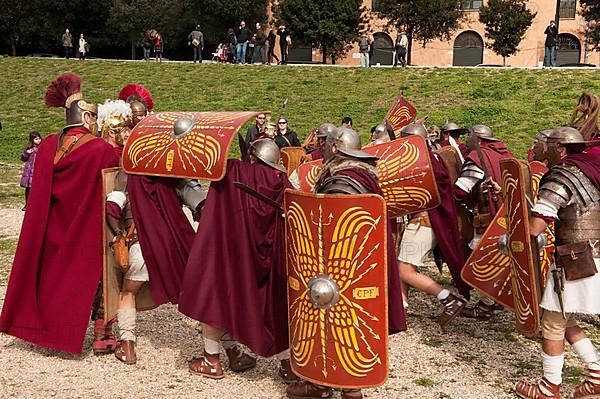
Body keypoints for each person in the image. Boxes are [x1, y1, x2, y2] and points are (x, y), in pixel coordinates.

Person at [0, 73, 119, 354]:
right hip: (84, 230)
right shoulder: (101, 150)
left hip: (48, 227)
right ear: (87, 119)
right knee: (99, 274)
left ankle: (41, 326)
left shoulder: (48, 146)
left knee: (50, 276)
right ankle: (102, 331)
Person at [286, 127, 407, 399]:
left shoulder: (342, 179)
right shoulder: (364, 174)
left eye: (326, 144)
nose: (323, 148)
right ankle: (322, 381)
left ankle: (349, 388)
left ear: (336, 147)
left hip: (345, 268)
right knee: (328, 321)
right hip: (358, 266)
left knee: (342, 322)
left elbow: (334, 228)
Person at [179, 139, 292, 380]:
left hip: (234, 254)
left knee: (215, 293)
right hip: (271, 258)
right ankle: (287, 366)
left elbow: (216, 204)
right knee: (278, 305)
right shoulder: (282, 181)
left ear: (252, 157)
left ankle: (212, 360)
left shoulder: (234, 171)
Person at [514, 127, 600, 399]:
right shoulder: (591, 173)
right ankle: (597, 373)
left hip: (573, 260)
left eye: (544, 145)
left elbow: (537, 226)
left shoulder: (563, 175)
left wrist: (512, 239)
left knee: (551, 322)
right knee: (566, 317)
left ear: (558, 149)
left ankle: (549, 386)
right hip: (592, 255)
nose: (539, 149)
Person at [394, 123, 469, 328]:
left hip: (422, 223)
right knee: (404, 265)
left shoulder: (420, 162)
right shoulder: (433, 156)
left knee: (405, 271)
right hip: (427, 221)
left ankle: (448, 298)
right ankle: (401, 308)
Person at [453, 124, 515, 319]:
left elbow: (461, 190)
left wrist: (447, 197)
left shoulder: (478, 158)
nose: (466, 142)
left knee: (483, 258)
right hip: (507, 214)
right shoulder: (506, 155)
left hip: (488, 216)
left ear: (478, 140)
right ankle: (497, 299)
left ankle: (485, 305)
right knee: (499, 256)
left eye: (469, 138)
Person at [20, 131, 42, 210]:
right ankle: (27, 204)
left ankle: (37, 204)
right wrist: (26, 153)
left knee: (37, 188)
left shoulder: (42, 147)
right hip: (29, 171)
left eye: (39, 138)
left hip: (38, 170)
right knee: (28, 188)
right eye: (36, 139)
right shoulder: (29, 148)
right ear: (32, 140)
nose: (38, 140)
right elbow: (23, 158)